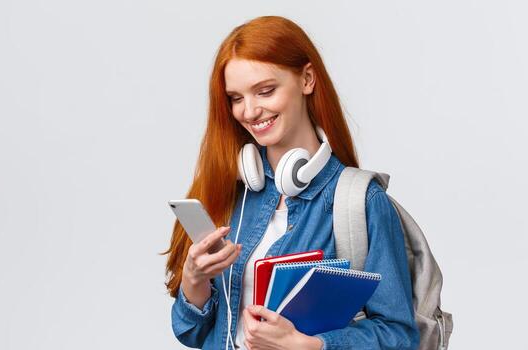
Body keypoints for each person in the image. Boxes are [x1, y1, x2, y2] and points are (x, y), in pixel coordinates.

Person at [161, 16, 420, 350]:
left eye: (265, 91)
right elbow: (192, 333)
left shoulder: (361, 202)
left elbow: (399, 337)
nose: (250, 111)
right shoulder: (230, 194)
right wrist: (194, 280)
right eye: (236, 98)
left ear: (307, 79)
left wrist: (308, 345)